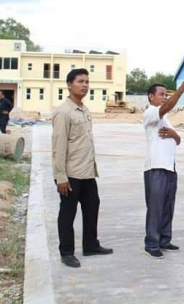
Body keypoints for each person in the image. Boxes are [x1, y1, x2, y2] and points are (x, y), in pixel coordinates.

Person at [52, 68, 113, 268]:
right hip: (70, 174)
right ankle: (66, 252)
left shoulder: (85, 111)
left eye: (87, 81)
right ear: (69, 85)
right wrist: (60, 176)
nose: (85, 85)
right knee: (68, 213)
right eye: (80, 81)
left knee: (92, 207)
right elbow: (58, 147)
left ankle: (91, 245)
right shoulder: (63, 112)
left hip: (87, 172)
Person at [143, 77, 184, 259]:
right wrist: (180, 90)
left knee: (167, 206)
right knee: (155, 207)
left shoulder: (166, 119)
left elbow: (177, 140)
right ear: (151, 97)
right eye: (161, 94)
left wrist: (174, 134)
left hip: (170, 167)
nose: (164, 97)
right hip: (155, 167)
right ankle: (151, 244)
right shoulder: (151, 113)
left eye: (166, 94)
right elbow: (165, 107)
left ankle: (164, 240)